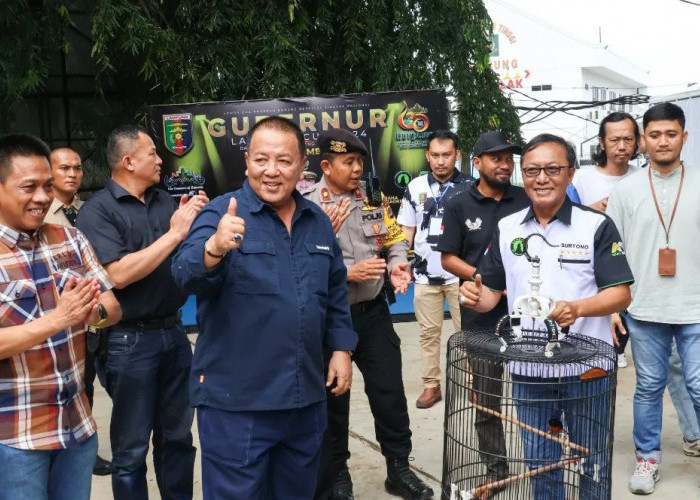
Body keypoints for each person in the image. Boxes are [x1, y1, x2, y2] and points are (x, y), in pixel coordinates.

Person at [171, 117, 357, 499]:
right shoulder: (223, 213)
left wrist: (341, 348)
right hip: (237, 406)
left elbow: (335, 289)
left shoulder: (317, 221)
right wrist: (215, 248)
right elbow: (183, 272)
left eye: (284, 161)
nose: (271, 171)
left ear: (302, 165)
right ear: (247, 163)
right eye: (261, 160)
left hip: (304, 400)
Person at [460, 133, 633, 500]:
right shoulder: (507, 228)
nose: (542, 178)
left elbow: (621, 292)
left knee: (592, 462)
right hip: (529, 369)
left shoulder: (596, 226)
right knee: (541, 463)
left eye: (552, 169)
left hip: (587, 369)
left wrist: (578, 308)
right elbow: (491, 296)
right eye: (533, 170)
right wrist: (474, 297)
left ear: (570, 173)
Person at [76, 125, 205, 500]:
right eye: (153, 152)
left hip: (174, 334)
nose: (161, 159)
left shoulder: (166, 202)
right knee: (131, 449)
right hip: (128, 342)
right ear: (129, 161)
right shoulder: (97, 212)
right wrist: (174, 235)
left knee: (179, 438)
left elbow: (186, 256)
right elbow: (115, 274)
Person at [305, 128, 433, 500]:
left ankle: (399, 468)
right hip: (331, 318)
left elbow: (391, 237)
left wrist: (397, 265)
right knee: (334, 398)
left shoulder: (371, 198)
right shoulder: (308, 205)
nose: (357, 169)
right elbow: (300, 262)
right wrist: (347, 274)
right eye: (349, 162)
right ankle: (338, 474)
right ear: (326, 165)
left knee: (389, 392)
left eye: (360, 161)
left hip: (374, 315)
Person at [0, 133, 121, 499]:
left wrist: (91, 314)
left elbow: (111, 307)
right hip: (14, 438)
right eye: (29, 187)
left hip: (77, 427)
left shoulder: (70, 240)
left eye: (47, 186)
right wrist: (58, 319)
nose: (42, 197)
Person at [606, 102, 700, 495]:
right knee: (648, 386)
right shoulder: (625, 190)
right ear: (644, 140)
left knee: (698, 384)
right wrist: (613, 306)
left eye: (671, 133)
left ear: (684, 137)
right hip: (643, 309)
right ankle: (648, 460)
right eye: (655, 134)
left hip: (696, 307)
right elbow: (612, 252)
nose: (663, 141)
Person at [437, 130, 530, 491]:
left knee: (534, 389)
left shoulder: (525, 199)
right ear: (477, 163)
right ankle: (496, 468)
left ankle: (544, 457)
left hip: (526, 311)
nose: (505, 164)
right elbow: (447, 258)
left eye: (509, 158)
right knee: (487, 398)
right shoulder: (459, 203)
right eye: (496, 158)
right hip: (480, 314)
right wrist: (483, 277)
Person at [43, 146, 114, 476]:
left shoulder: (88, 211)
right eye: (64, 169)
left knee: (86, 387)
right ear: (50, 173)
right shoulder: (40, 218)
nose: (72, 174)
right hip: (53, 324)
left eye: (77, 168)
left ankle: (85, 450)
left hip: (95, 315)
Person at [397, 130, 472, 409]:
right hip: (425, 275)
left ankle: (476, 385)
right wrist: (401, 261)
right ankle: (431, 386)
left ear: (457, 155)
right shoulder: (415, 187)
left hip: (461, 276)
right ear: (428, 156)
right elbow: (407, 229)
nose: (440, 162)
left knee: (469, 334)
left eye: (447, 155)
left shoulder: (471, 187)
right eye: (435, 155)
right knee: (428, 335)